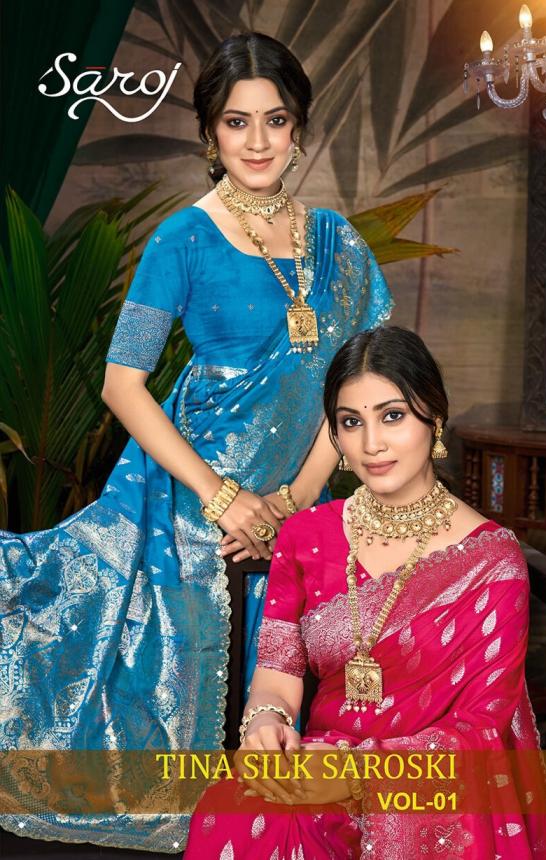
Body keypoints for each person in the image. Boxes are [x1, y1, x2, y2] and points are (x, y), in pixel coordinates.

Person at [0, 33, 391, 852]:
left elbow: (361, 389)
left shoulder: (338, 245)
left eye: (274, 120)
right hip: (190, 501)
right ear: (210, 133)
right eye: (236, 122)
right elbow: (122, 384)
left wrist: (292, 501)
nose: (258, 142)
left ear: (298, 126)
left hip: (301, 502)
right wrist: (224, 499)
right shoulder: (182, 238)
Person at [184, 326, 546, 859]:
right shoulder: (307, 536)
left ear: (434, 418)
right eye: (351, 422)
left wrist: (358, 774)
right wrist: (266, 722)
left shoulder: (490, 561)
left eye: (393, 416)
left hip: (433, 789)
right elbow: (276, 674)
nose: (372, 444)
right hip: (320, 766)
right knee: (237, 810)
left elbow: (483, 726)